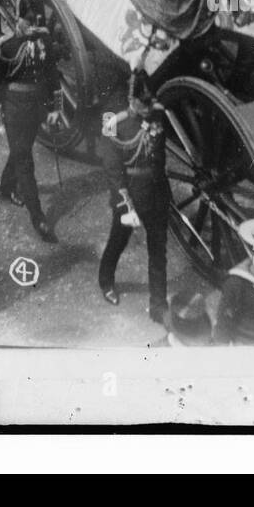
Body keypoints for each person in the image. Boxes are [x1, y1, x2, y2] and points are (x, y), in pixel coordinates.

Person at [96, 71, 171, 324]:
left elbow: (160, 156)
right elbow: (112, 169)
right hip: (131, 196)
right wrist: (124, 204)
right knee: (118, 241)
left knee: (158, 251)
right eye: (144, 103)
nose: (149, 108)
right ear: (132, 99)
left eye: (151, 102)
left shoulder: (159, 114)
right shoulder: (115, 123)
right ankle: (106, 280)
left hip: (157, 192)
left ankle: (158, 305)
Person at [0, 24, 58, 241]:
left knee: (20, 149)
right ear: (17, 20)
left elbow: (53, 75)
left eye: (34, 20)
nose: (31, 26)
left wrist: (56, 108)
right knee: (25, 161)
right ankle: (38, 217)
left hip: (36, 106)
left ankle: (6, 186)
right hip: (13, 108)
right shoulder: (4, 46)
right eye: (27, 20)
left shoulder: (44, 40)